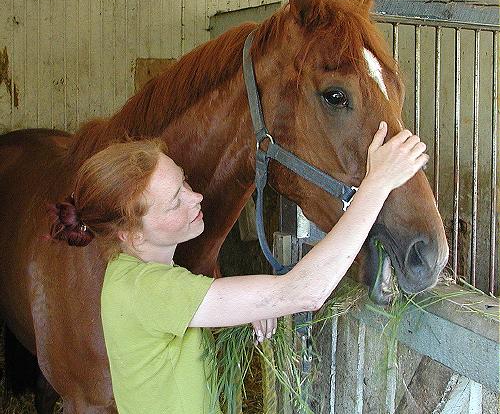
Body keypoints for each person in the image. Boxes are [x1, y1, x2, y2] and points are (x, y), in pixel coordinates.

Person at [49, 121, 428, 414]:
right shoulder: (149, 290)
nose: (196, 198)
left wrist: (243, 305)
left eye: (184, 182)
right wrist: (376, 185)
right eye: (175, 202)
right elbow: (304, 292)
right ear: (131, 234)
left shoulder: (126, 271)